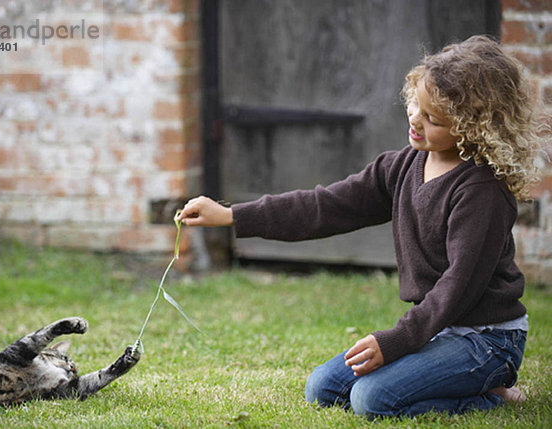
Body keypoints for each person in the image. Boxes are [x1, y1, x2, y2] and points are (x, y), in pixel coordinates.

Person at [177, 35, 542, 417]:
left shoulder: (481, 191)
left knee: (372, 400)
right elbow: (325, 206)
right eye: (415, 103)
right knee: (324, 388)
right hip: (438, 329)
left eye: (433, 118)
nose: (416, 118)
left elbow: (457, 288)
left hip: (487, 340)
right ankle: (458, 380)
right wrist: (233, 215)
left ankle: (489, 393)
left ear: (473, 128)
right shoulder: (403, 166)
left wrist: (395, 341)